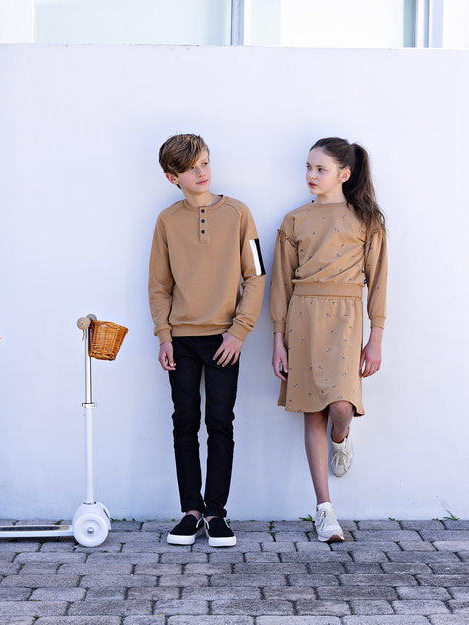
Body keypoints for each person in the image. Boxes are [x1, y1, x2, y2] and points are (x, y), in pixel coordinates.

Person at [148, 133, 266, 548]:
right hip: (181, 340)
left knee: (220, 424)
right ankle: (190, 512)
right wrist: (164, 336)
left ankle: (216, 514)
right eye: (191, 168)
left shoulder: (239, 213)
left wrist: (239, 331)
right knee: (184, 424)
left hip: (224, 339)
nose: (201, 172)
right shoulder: (166, 221)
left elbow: (256, 275)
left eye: (205, 163)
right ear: (172, 177)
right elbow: (159, 285)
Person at [270, 137, 388, 543]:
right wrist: (277, 339)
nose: (311, 176)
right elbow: (281, 284)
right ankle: (325, 510)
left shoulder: (367, 221)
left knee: (341, 406)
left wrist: (376, 338)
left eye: (319, 169)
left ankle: (343, 436)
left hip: (346, 317)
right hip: (302, 318)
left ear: (344, 174)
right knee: (311, 412)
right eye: (308, 167)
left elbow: (378, 282)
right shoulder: (293, 221)